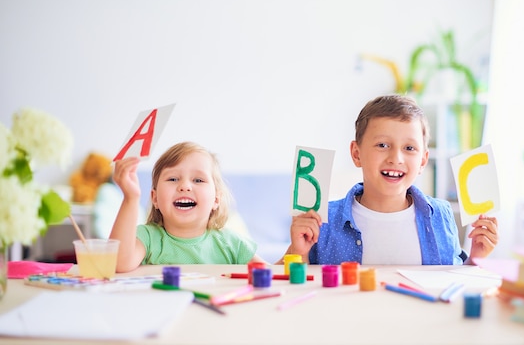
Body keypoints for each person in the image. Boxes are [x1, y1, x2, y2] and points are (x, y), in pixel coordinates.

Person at [283, 94, 498, 265]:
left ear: (423, 161)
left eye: (409, 148)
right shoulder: (323, 221)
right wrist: (298, 253)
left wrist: (476, 258)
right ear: (357, 154)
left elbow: (453, 285)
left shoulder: (441, 216)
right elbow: (297, 289)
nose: (396, 158)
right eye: (383, 145)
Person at [110, 141, 265, 272]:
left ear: (216, 199)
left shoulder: (232, 243)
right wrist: (130, 198)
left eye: (198, 180)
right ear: (155, 198)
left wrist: (290, 252)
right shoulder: (147, 238)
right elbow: (118, 263)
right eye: (173, 179)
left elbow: (271, 276)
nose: (184, 186)